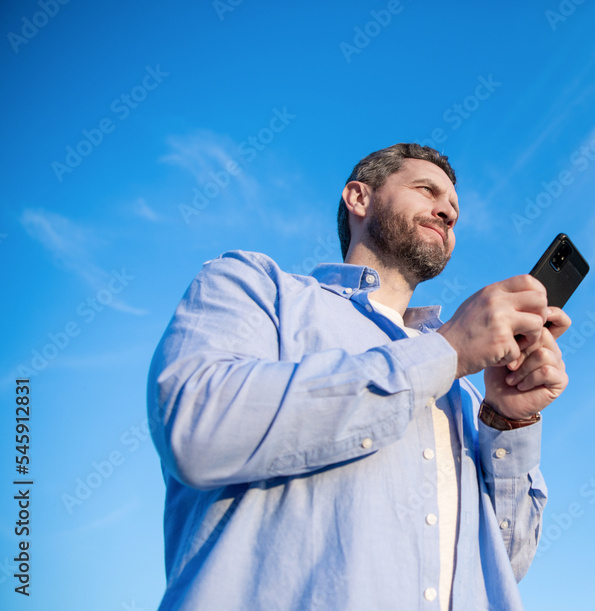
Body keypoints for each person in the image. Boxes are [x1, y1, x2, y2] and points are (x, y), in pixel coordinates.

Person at [147, 142, 572, 610]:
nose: (447, 214)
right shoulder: (258, 288)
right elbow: (198, 430)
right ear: (359, 198)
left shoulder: (467, 393)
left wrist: (505, 419)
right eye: (426, 190)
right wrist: (447, 351)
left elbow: (504, 566)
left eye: (454, 210)